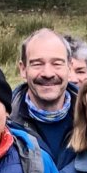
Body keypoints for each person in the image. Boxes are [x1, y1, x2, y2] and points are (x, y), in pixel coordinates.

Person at [13, 28, 79, 164]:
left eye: (57, 64)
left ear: (70, 67)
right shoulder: (4, 123)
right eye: (37, 64)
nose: (48, 73)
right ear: (23, 69)